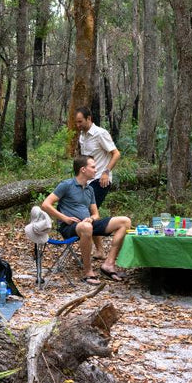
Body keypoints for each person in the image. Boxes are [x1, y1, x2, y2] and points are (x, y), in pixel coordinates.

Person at [41, 155, 132, 285]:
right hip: (70, 227)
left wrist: (91, 218)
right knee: (86, 227)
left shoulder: (90, 189)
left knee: (125, 221)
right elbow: (45, 204)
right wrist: (64, 218)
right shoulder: (66, 185)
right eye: (93, 167)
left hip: (87, 224)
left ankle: (108, 264)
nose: (96, 170)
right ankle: (88, 271)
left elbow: (96, 214)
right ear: (83, 169)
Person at [74, 107, 121, 260]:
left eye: (80, 121)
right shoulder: (82, 136)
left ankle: (98, 250)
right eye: (76, 122)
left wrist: (106, 172)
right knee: (88, 213)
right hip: (87, 180)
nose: (78, 125)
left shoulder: (100, 133)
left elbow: (116, 153)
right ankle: (98, 250)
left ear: (89, 119)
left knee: (89, 212)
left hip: (101, 180)